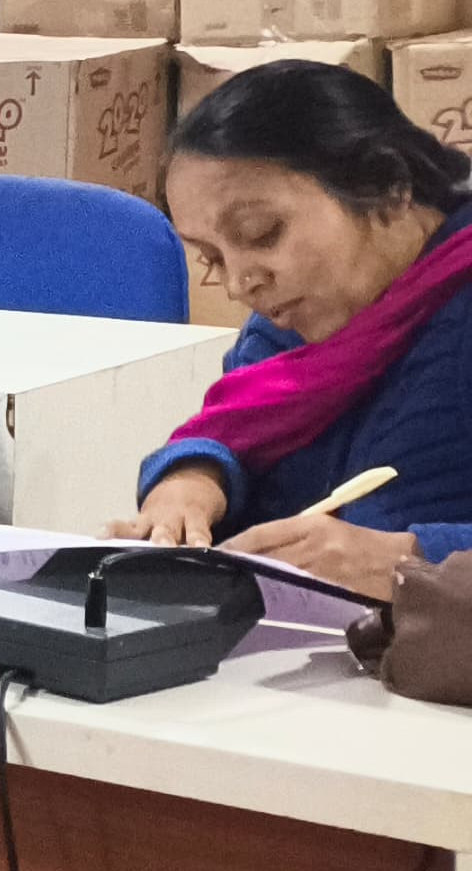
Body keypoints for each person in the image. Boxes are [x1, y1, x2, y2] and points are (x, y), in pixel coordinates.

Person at [115, 60, 472, 599]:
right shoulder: (283, 322)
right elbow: (233, 433)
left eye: (261, 233)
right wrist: (192, 480)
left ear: (388, 188)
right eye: (212, 257)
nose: (239, 283)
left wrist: (412, 560)